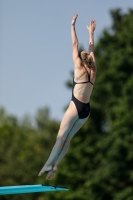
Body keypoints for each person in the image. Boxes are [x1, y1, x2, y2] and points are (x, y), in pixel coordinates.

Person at [38, 14, 97, 180]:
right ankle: (55, 167)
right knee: (68, 139)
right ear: (90, 61)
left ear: (81, 59)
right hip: (86, 110)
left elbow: (74, 44)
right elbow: (92, 50)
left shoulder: (78, 67)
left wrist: (72, 26)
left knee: (60, 137)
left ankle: (49, 163)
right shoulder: (93, 71)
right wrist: (91, 34)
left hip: (76, 106)